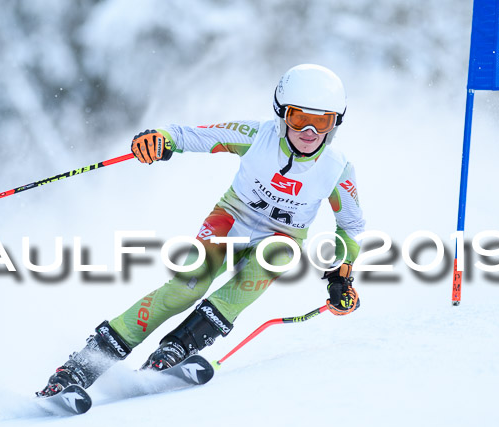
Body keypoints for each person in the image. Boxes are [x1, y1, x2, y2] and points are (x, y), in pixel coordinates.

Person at [37, 64, 366, 397]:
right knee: (187, 287)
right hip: (231, 219)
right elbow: (189, 135)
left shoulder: (337, 169)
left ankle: (177, 350)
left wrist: (341, 277)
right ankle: (82, 365)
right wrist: (160, 140)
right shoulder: (255, 137)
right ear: (282, 115)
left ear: (335, 123)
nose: (309, 130)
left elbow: (350, 226)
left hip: (283, 237)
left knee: (261, 271)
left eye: (321, 120)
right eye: (299, 118)